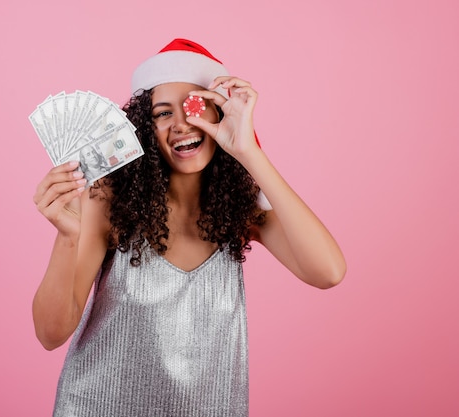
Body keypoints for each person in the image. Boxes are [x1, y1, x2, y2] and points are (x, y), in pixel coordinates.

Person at [32, 38, 346, 416]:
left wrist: (248, 150)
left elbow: (329, 272)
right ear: (144, 129)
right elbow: (51, 334)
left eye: (194, 107)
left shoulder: (240, 212)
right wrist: (67, 237)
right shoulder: (108, 200)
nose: (181, 124)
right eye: (163, 113)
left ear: (218, 114)